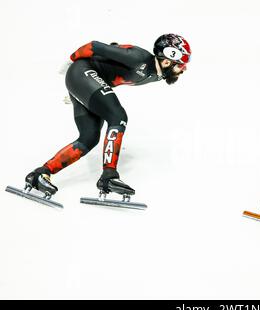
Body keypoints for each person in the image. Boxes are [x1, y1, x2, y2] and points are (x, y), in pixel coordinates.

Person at [24, 34, 191, 197]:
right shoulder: (139, 58)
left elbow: (113, 64)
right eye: (181, 65)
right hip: (81, 72)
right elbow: (94, 46)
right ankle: (109, 176)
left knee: (89, 138)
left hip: (86, 82)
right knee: (118, 117)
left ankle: (40, 174)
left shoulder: (158, 74)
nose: (183, 70)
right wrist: (72, 62)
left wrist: (82, 92)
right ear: (167, 61)